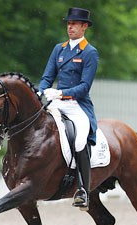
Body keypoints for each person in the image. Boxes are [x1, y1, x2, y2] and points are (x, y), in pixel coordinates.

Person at [38, 7, 99, 209]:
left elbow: (84, 86)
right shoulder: (59, 49)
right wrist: (41, 91)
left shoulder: (90, 52)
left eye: (74, 24)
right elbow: (47, 77)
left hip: (77, 105)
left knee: (80, 140)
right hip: (56, 101)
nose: (70, 27)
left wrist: (62, 93)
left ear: (84, 27)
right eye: (69, 24)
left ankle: (83, 190)